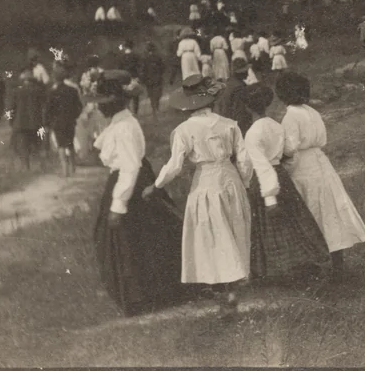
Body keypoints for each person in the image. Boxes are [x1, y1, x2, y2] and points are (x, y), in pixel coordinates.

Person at [144, 75, 252, 316]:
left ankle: (221, 293)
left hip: (205, 183)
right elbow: (244, 160)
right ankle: (233, 288)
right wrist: (244, 183)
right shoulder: (229, 124)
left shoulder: (184, 130)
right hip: (230, 179)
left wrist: (156, 185)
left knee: (210, 236)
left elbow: (174, 165)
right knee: (234, 230)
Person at [91, 70, 185, 317]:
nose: (99, 109)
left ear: (114, 103)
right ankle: (149, 292)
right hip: (132, 178)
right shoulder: (121, 122)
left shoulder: (123, 127)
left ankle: (143, 295)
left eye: (103, 105)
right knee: (143, 237)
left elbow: (130, 166)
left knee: (130, 238)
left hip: (129, 182)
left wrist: (118, 205)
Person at [276, 72, 365, 278]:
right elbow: (323, 138)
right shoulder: (312, 112)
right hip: (320, 163)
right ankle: (337, 263)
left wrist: (279, 158)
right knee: (330, 212)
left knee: (309, 212)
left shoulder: (291, 116)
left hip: (303, 166)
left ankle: (312, 265)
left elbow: (290, 148)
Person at [241, 83, 332, 282]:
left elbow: (262, 166)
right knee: (293, 222)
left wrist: (270, 198)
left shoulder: (252, 133)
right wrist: (282, 167)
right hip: (281, 175)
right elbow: (290, 150)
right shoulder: (275, 125)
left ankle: (278, 272)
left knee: (269, 225)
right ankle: (301, 265)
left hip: (266, 183)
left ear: (247, 107)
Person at [45, 62, 83, 178]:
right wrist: (74, 116)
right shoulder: (72, 90)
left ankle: (65, 169)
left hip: (57, 123)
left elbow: (48, 110)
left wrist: (47, 123)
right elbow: (79, 107)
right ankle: (73, 167)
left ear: (55, 78)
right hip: (70, 121)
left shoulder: (52, 92)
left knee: (61, 145)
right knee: (70, 143)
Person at [9, 69, 47, 170]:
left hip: (20, 123)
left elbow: (11, 109)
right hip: (35, 123)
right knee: (36, 144)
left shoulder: (16, 91)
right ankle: (40, 165)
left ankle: (26, 167)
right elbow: (43, 107)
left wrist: (11, 121)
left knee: (23, 146)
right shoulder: (38, 90)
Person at [214, 57, 253, 135]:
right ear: (240, 73)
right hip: (235, 126)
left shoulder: (228, 83)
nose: (248, 74)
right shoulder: (239, 88)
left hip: (224, 121)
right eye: (245, 71)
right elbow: (240, 112)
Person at [140, 43, 167, 118]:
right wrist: (160, 73)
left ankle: (154, 109)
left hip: (149, 80)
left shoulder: (145, 58)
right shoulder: (158, 57)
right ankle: (156, 108)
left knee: (151, 95)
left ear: (147, 50)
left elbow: (143, 70)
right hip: (157, 79)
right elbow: (163, 67)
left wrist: (143, 80)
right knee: (157, 94)